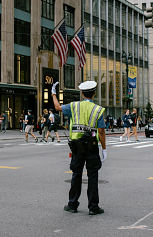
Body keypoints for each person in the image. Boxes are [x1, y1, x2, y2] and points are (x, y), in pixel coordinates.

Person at [52, 80, 106, 216]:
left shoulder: (74, 106)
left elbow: (58, 108)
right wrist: (104, 149)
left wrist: (53, 94)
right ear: (94, 93)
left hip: (77, 146)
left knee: (76, 174)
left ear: (82, 93)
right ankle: (93, 207)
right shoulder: (97, 109)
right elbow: (101, 131)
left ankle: (72, 204)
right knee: (93, 175)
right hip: (92, 145)